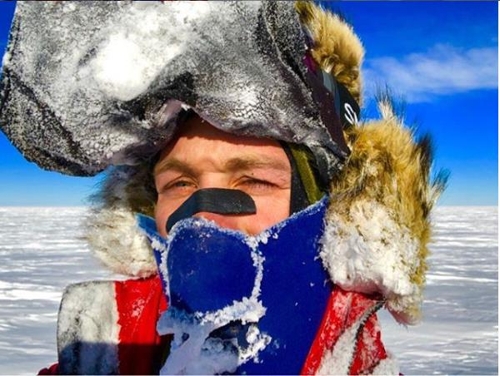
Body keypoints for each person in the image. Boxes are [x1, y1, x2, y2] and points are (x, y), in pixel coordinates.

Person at [0, 1, 446, 375]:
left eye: (252, 179)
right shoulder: (107, 351)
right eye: (178, 183)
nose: (202, 218)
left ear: (337, 214)